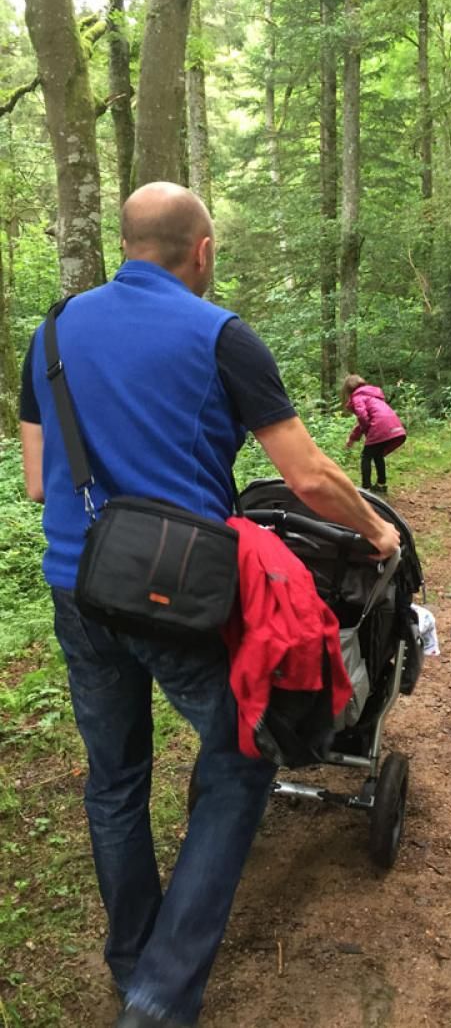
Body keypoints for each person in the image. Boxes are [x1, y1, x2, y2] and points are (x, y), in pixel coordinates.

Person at [18, 182, 400, 1028]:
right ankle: (160, 995)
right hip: (177, 592)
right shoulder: (222, 334)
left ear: (125, 243)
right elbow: (306, 476)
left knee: (116, 780)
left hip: (78, 586)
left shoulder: (52, 333)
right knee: (241, 759)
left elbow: (39, 480)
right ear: (203, 251)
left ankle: (132, 958)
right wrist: (377, 529)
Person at [342, 374, 407, 494]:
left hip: (379, 426)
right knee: (378, 455)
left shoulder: (358, 396)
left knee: (366, 456)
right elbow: (363, 422)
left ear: (348, 389)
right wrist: (353, 438)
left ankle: (365, 488)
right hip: (392, 425)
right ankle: (381, 485)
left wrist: (366, 428)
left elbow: (362, 417)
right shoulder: (373, 396)